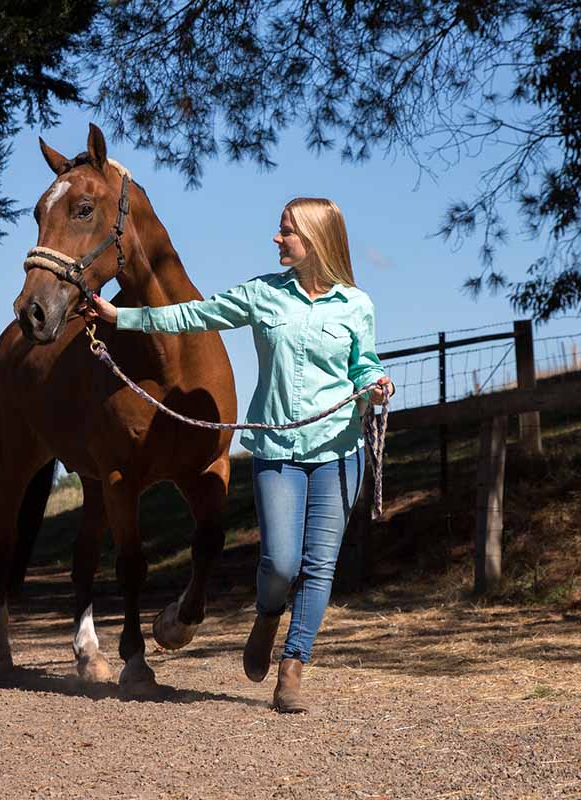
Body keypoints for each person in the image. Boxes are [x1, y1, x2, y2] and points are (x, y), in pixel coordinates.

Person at [81, 197, 394, 713]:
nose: (277, 238)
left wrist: (375, 384)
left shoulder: (356, 305)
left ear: (314, 239)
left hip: (340, 449)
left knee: (319, 567)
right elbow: (193, 315)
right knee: (280, 563)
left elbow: (363, 364)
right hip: (278, 448)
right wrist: (122, 316)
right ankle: (268, 614)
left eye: (286, 231)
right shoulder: (262, 295)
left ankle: (293, 668)